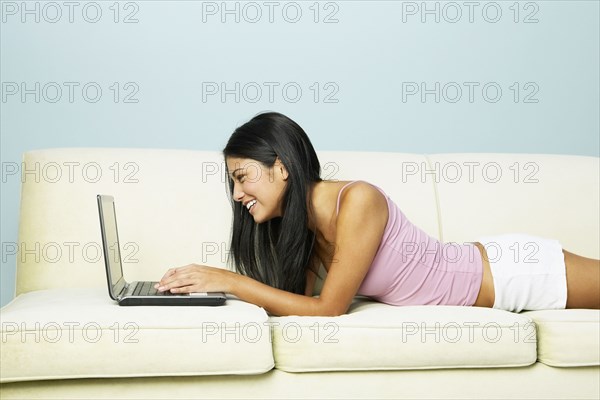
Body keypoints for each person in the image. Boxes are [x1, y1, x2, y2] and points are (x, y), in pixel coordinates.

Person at [155, 112, 600, 316]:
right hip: (496, 275)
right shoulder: (304, 232)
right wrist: (211, 294)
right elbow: (299, 307)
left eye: (242, 177)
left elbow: (329, 309)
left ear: (282, 168)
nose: (236, 193)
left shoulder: (359, 200)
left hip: (513, 273)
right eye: (232, 182)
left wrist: (229, 280)